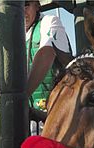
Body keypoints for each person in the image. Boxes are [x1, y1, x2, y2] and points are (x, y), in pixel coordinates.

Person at [25, 0, 72, 135]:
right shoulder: (13, 34)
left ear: (37, 5)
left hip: (58, 117)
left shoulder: (50, 22)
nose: (21, 11)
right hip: (29, 120)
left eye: (26, 4)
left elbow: (46, 52)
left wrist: (21, 97)